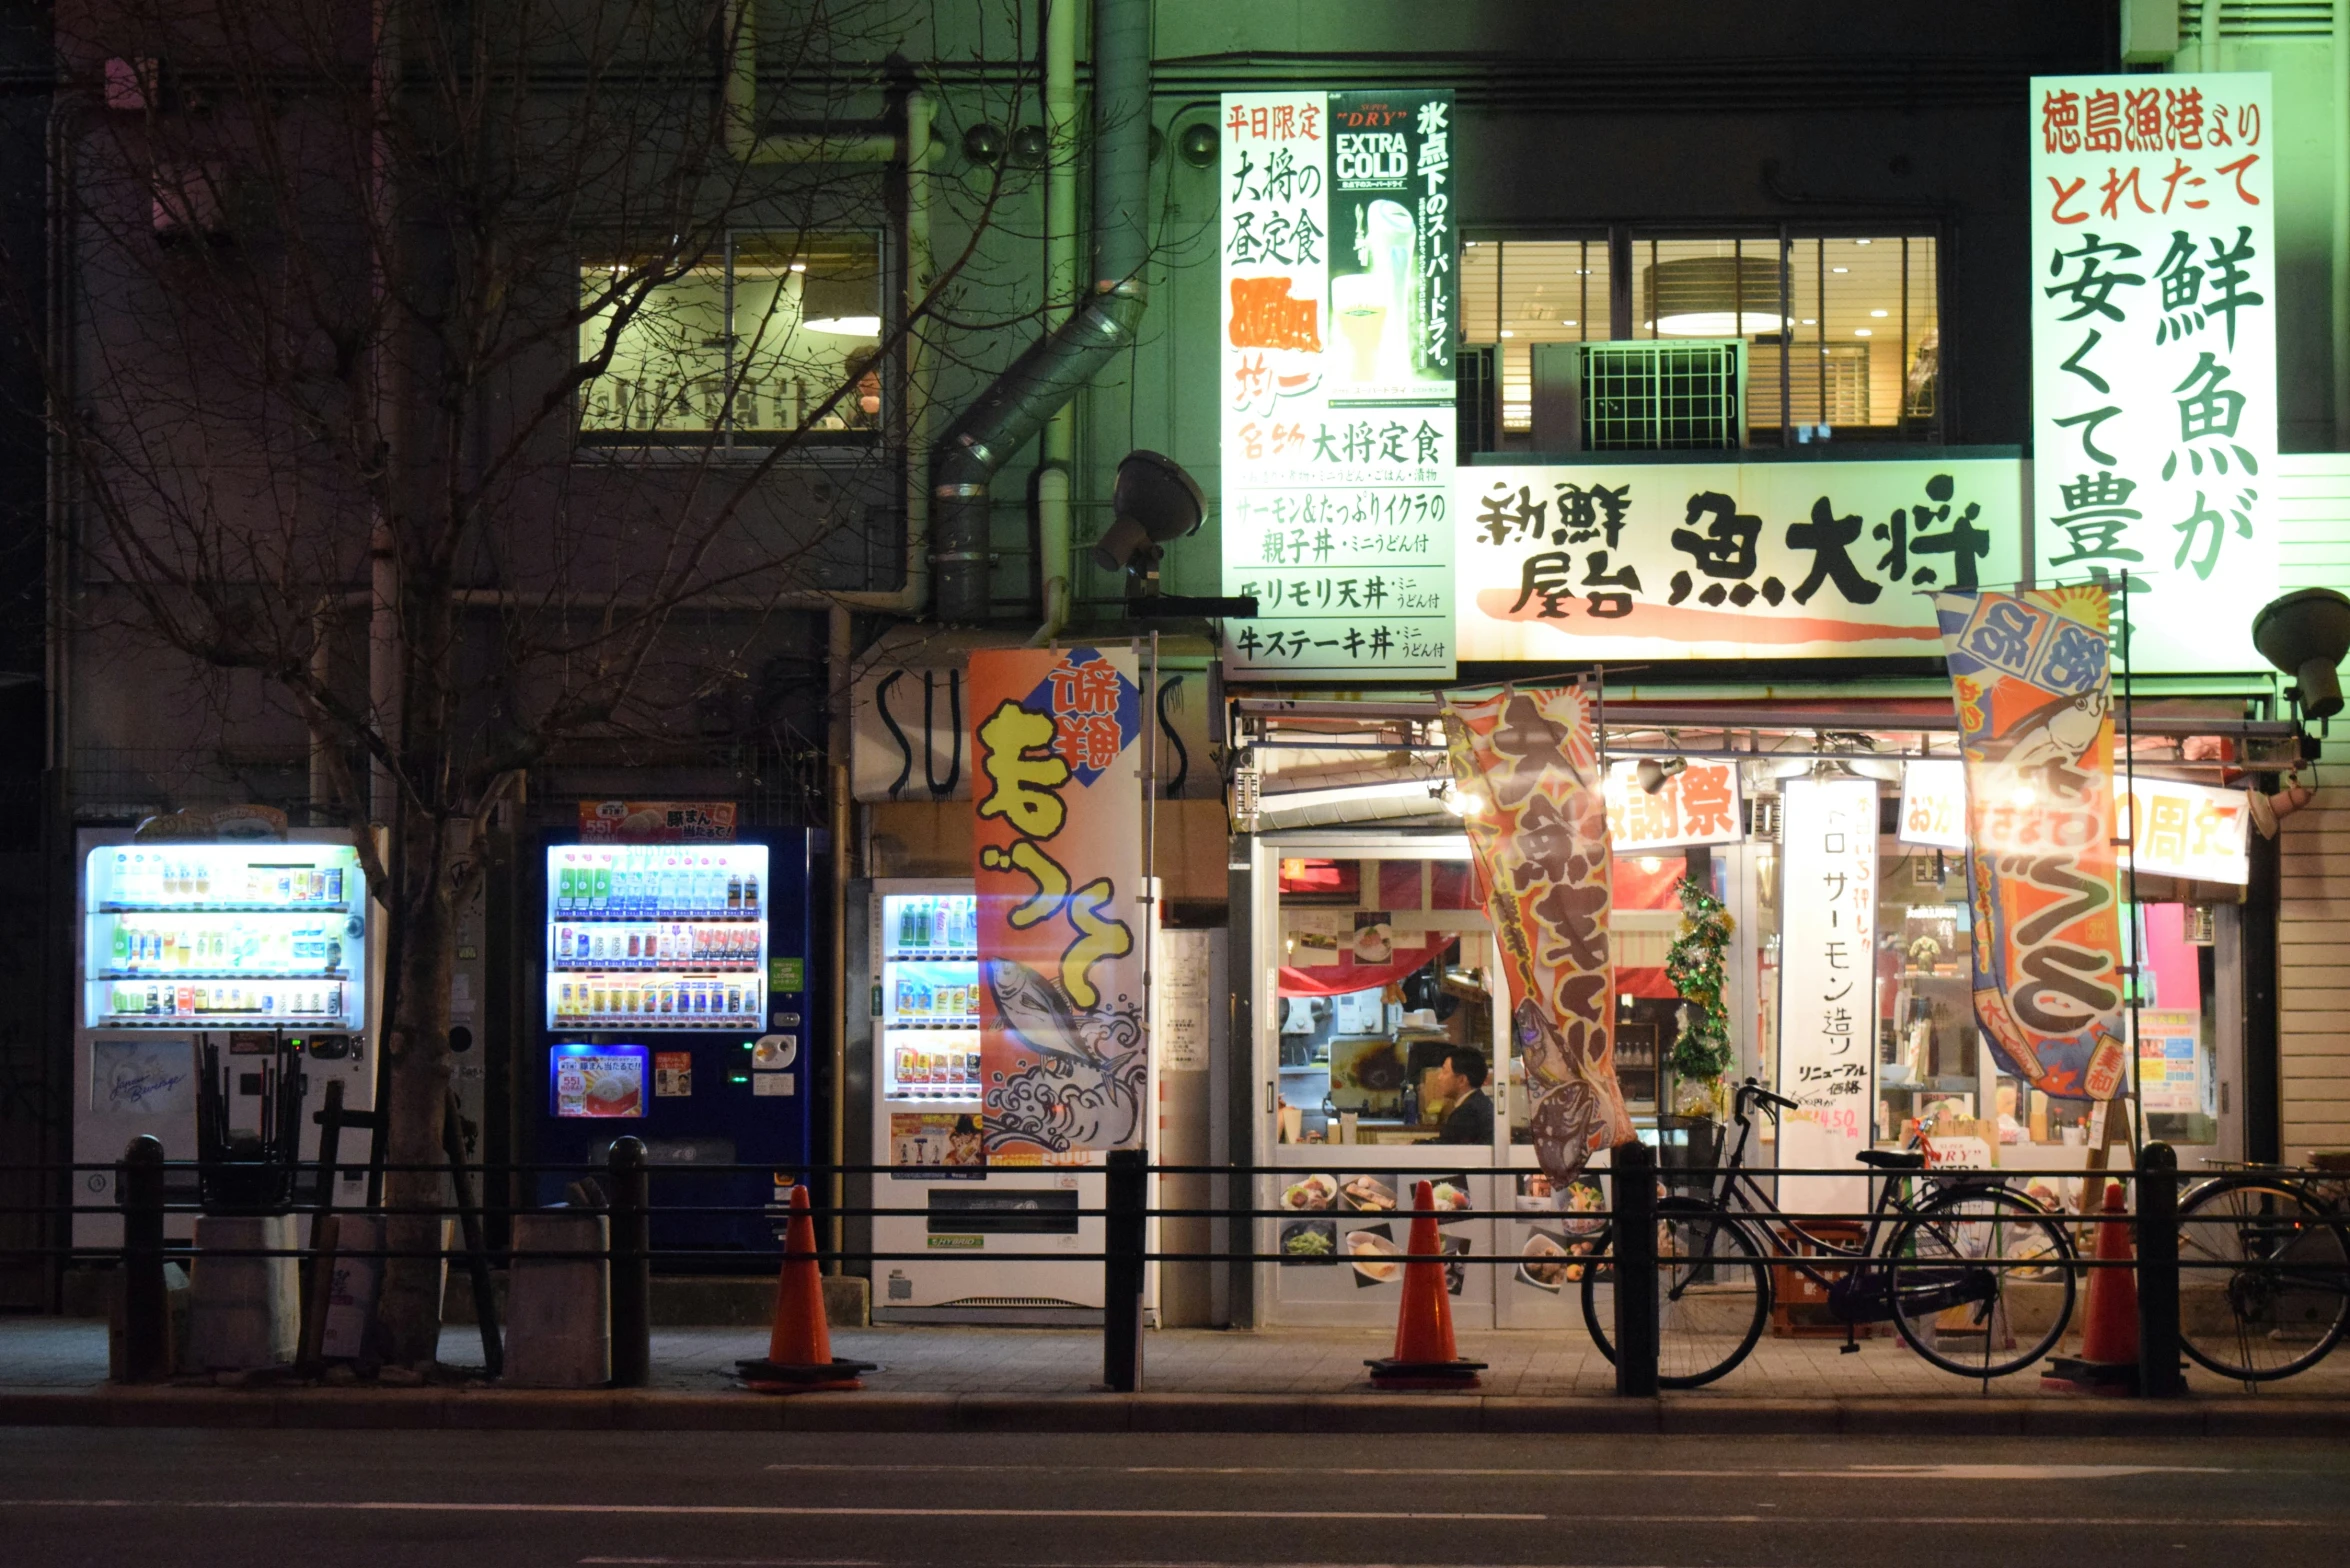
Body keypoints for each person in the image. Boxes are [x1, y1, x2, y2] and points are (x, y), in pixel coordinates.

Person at [1431, 1047, 1493, 1145]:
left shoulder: (1467, 1112)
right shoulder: (1481, 1102)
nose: (1439, 1077)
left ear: (1462, 1080)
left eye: (1445, 1071)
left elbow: (1446, 1149)